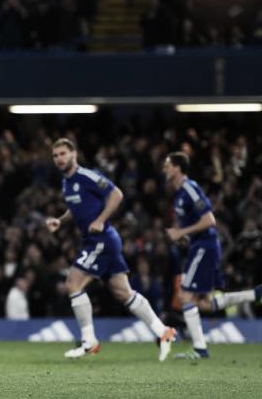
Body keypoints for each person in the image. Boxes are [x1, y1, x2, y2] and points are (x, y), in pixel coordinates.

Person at [46, 138, 176, 361]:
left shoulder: (86, 176)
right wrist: (61, 221)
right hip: (98, 241)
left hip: (101, 239)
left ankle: (89, 341)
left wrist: (100, 220)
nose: (59, 159)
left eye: (62, 154)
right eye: (55, 155)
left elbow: (116, 194)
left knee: (73, 283)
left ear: (74, 154)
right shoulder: (66, 183)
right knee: (123, 292)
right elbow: (75, 208)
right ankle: (162, 331)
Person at [163, 152, 262, 359]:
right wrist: (183, 237)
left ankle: (199, 349)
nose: (164, 169)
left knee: (185, 296)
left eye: (167, 165)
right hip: (199, 245)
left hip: (204, 247)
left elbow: (209, 220)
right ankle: (256, 294)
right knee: (205, 303)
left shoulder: (190, 188)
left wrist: (181, 232)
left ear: (178, 168)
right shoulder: (179, 194)